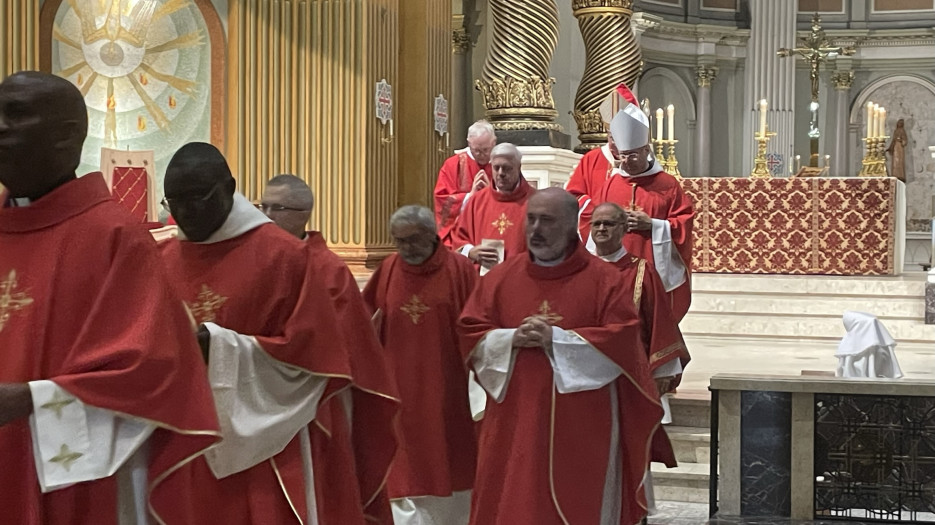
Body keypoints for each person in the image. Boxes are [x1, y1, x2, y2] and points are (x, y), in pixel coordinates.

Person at [0, 71, 219, 524]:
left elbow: (154, 370)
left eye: (15, 115)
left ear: (66, 136)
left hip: (71, 471)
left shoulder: (113, 236)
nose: (0, 126)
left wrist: (29, 399)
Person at [159, 143, 357, 524]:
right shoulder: (162, 261)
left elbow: (313, 358)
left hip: (268, 445)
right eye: (175, 202)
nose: (186, 212)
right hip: (184, 442)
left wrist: (216, 347)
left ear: (230, 187)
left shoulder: (284, 256)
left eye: (198, 197)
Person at [458, 187, 664, 525]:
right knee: (515, 500)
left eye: (548, 220)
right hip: (514, 419)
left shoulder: (605, 280)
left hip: (582, 423)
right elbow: (470, 331)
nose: (536, 229)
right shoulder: (499, 278)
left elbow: (624, 337)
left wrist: (557, 340)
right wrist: (509, 338)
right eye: (531, 220)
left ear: (571, 226)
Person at [261, 173, 401, 523]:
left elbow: (339, 346)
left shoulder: (329, 270)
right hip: (264, 396)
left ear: (301, 213)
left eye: (274, 207)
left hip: (316, 403)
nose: (264, 215)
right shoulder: (259, 260)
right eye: (261, 206)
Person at [362, 205, 479, 525]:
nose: (405, 249)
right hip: (398, 390)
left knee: (449, 464)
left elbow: (480, 328)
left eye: (412, 240)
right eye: (398, 241)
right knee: (403, 472)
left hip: (448, 389)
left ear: (432, 235)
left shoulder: (460, 271)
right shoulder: (388, 268)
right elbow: (362, 319)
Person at [590, 202, 692, 516]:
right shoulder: (579, 270)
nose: (602, 230)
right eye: (596, 224)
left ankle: (630, 514)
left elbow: (660, 324)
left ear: (624, 229)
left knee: (629, 454)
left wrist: (660, 374)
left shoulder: (641, 271)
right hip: (584, 381)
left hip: (630, 380)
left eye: (609, 224)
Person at [567, 86, 694, 321]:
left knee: (649, 322)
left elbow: (684, 222)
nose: (626, 161)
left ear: (646, 150)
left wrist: (654, 225)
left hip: (652, 267)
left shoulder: (667, 184)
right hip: (614, 268)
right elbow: (592, 218)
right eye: (623, 156)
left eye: (633, 155)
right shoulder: (611, 182)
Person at [452, 143, 534, 273]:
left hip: (522, 280)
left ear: (518, 167)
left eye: (507, 168)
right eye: (496, 168)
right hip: (484, 282)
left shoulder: (536, 202)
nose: (501, 173)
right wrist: (471, 252)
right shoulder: (476, 201)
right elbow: (459, 239)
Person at [434, 120, 496, 246]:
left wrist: (492, 194)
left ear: (494, 143)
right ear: (469, 143)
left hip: (493, 230)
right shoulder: (453, 165)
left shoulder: (501, 164)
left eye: (485, 150)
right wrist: (469, 197)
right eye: (476, 150)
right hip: (460, 234)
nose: (481, 155)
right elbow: (441, 199)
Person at [886, 118, 908, 183]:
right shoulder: (896, 131)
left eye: (901, 123)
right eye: (899, 123)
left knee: (899, 161)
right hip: (895, 146)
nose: (899, 124)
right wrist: (890, 148)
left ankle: (900, 175)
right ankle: (895, 174)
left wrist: (901, 140)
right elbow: (893, 140)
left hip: (900, 147)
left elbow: (905, 140)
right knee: (895, 161)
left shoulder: (902, 131)